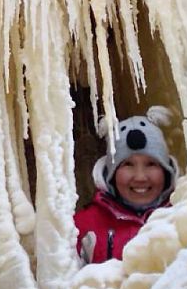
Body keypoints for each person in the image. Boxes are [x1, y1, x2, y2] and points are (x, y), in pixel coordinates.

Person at [74, 107, 178, 264]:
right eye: (128, 164)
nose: (140, 177)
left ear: (166, 170)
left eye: (151, 164)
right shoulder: (81, 227)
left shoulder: (184, 214)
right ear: (111, 173)